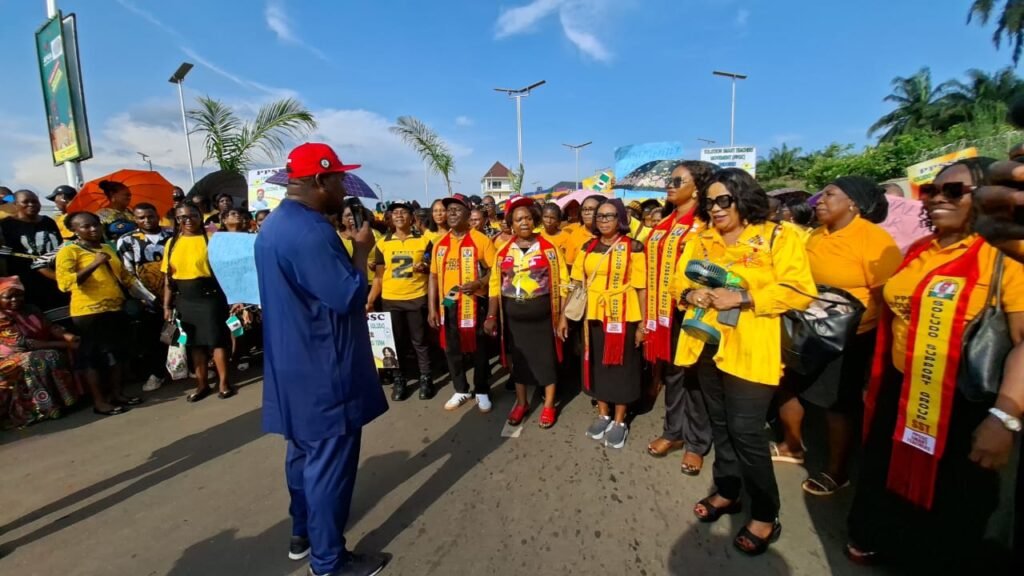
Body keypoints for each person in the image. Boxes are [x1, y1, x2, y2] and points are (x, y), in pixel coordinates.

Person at [846, 158, 1024, 572]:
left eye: (954, 191)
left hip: (966, 402)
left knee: (956, 503)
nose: (938, 198)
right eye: (931, 191)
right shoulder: (920, 251)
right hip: (903, 387)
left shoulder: (1005, 258)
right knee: (894, 478)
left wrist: (1006, 417)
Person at [255, 142, 389, 576]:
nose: (342, 187)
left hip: (290, 362)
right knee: (330, 464)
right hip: (324, 365)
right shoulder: (313, 232)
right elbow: (348, 296)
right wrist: (362, 251)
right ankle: (328, 562)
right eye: (337, 180)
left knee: (301, 453)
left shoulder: (274, 225)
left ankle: (303, 533)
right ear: (319, 181)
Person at [674, 168, 816, 556]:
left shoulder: (777, 236)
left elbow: (800, 290)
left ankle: (766, 513)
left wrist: (744, 298)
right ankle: (728, 491)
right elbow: (677, 283)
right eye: (710, 203)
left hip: (751, 349)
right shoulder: (701, 239)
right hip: (706, 343)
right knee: (720, 424)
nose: (716, 209)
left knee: (747, 432)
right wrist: (692, 295)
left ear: (743, 197)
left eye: (724, 200)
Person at [773, 176, 902, 496]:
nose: (820, 201)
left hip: (850, 336)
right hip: (807, 327)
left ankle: (836, 471)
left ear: (853, 204)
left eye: (830, 195)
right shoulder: (815, 235)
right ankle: (792, 446)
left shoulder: (875, 240)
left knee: (837, 404)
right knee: (788, 385)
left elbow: (888, 295)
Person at [559, 198, 646, 449]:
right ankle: (603, 413)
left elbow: (641, 289)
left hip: (624, 315)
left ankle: (620, 420)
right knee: (597, 363)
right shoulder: (588, 246)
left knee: (622, 366)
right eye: (600, 216)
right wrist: (564, 315)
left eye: (609, 216)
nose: (603, 220)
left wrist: (642, 325)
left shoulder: (634, 247)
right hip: (594, 315)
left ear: (620, 219)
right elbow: (575, 283)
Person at [644, 161, 714, 476]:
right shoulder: (665, 223)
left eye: (677, 181)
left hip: (696, 311)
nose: (669, 185)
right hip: (664, 310)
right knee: (673, 374)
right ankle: (674, 431)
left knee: (696, 378)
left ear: (697, 188)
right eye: (669, 181)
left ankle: (697, 443)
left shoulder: (706, 225)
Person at [486, 197, 568, 428]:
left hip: (543, 319)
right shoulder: (502, 251)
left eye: (528, 218)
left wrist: (563, 316)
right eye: (518, 219)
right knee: (519, 364)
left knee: (547, 362)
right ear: (511, 223)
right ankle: (521, 403)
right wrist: (492, 316)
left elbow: (564, 283)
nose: (524, 222)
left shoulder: (549, 250)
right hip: (513, 320)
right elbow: (494, 285)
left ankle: (550, 405)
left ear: (535, 220)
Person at [56, 212, 146, 416]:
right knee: (94, 359)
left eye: (95, 225)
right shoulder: (69, 251)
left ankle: (117, 394)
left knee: (118, 355)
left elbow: (123, 275)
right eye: (86, 226)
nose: (93, 229)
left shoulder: (106, 248)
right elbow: (65, 283)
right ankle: (99, 402)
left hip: (115, 308)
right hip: (89, 312)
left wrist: (143, 295)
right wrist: (94, 263)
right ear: (75, 230)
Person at [428, 193, 497, 414]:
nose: (451, 213)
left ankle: (482, 390)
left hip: (475, 303)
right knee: (452, 349)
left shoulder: (481, 240)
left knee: (479, 350)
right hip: (448, 303)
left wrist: (478, 282)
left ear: (469, 213)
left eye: (457, 209)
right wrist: (432, 307)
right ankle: (460, 389)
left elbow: (494, 272)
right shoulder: (440, 244)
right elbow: (434, 277)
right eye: (448, 210)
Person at [162, 203, 234, 402]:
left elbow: (228, 270)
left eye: (192, 216)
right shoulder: (171, 243)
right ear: (176, 220)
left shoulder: (211, 239)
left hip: (209, 298)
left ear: (200, 216)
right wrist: (167, 305)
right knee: (195, 344)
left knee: (217, 341)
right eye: (181, 217)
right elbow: (168, 278)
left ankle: (224, 383)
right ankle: (202, 384)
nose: (187, 220)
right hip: (184, 300)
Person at [366, 200, 435, 401]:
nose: (399, 216)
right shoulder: (383, 243)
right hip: (390, 300)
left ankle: (425, 379)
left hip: (416, 298)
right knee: (394, 343)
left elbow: (433, 268)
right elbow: (378, 277)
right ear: (390, 218)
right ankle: (399, 380)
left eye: (403, 212)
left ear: (411, 217)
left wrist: (426, 267)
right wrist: (370, 301)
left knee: (420, 342)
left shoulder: (424, 241)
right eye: (395, 212)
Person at [0, 276, 79, 429]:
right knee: (41, 359)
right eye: (9, 297)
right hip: (7, 358)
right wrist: (64, 344)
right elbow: (23, 344)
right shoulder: (2, 317)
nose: (15, 299)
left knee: (54, 353)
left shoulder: (31, 309)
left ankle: (68, 401)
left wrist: (67, 335)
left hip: (34, 350)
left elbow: (50, 326)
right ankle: (45, 408)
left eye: (19, 295)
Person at [116, 203, 174, 392]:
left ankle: (185, 367)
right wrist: (147, 297)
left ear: (158, 216)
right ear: (135, 219)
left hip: (174, 291)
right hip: (146, 297)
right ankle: (156, 373)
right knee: (152, 337)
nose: (147, 220)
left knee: (179, 332)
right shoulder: (127, 240)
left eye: (150, 216)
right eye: (141, 217)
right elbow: (127, 273)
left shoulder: (172, 234)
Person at [0, 190, 66, 312]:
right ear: (15, 204)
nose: (31, 204)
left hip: (54, 275)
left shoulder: (48, 221)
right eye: (25, 202)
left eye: (35, 201)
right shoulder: (6, 225)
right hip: (26, 280)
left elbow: (60, 247)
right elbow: (4, 256)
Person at [564, 195, 604, 267]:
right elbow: (569, 265)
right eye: (584, 209)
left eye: (591, 209)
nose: (587, 213)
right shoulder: (575, 235)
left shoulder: (610, 234)